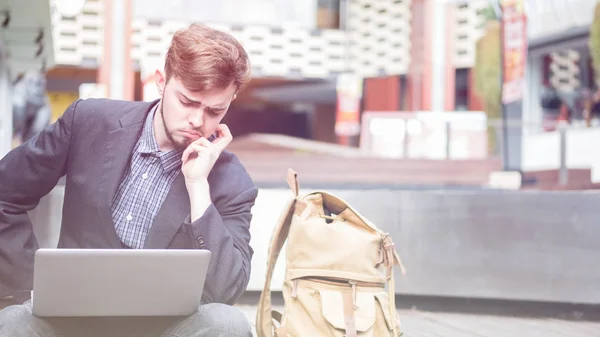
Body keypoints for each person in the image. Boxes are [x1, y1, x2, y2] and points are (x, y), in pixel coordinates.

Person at [0, 23, 257, 336]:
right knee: (13, 322)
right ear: (161, 82)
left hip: (164, 328)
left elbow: (228, 288)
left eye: (216, 110)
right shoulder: (90, 121)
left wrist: (198, 187)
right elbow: (5, 191)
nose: (198, 121)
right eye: (187, 102)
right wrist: (31, 284)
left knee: (228, 324)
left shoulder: (231, 180)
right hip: (69, 318)